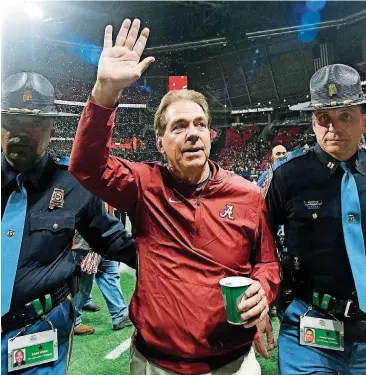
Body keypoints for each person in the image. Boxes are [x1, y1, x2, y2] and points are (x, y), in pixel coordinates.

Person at [70, 18, 280, 375]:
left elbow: (268, 263)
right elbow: (87, 166)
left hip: (233, 363)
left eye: (200, 124)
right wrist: (105, 91)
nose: (193, 133)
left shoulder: (247, 194)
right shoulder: (143, 184)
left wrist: (263, 287)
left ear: (211, 136)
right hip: (157, 363)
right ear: (159, 143)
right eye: (179, 127)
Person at [1, 72, 136, 375]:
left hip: (36, 331)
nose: (21, 133)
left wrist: (184, 259)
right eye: (12, 121)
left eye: (34, 124)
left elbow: (116, 242)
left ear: (51, 128)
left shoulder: (72, 183)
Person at [263, 64, 366, 374]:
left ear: (363, 119)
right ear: (313, 122)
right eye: (324, 118)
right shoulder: (287, 176)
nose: (333, 128)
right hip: (308, 329)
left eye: (345, 116)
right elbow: (260, 241)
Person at [72, 230, 132, 335]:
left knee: (110, 274)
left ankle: (120, 315)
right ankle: (73, 322)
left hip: (106, 238)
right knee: (83, 283)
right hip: (87, 242)